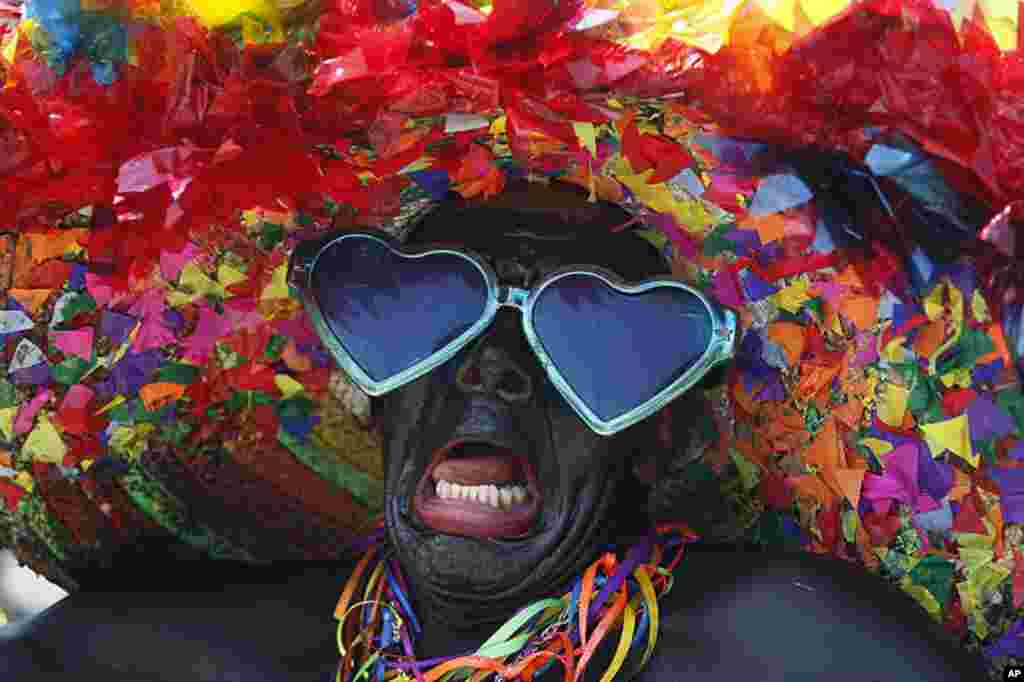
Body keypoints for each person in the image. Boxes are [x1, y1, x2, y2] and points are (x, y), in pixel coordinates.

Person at [0, 179, 988, 681]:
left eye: (594, 329)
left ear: (657, 432)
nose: (494, 363)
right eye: (428, 305)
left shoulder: (782, 643)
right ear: (372, 394)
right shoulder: (176, 653)